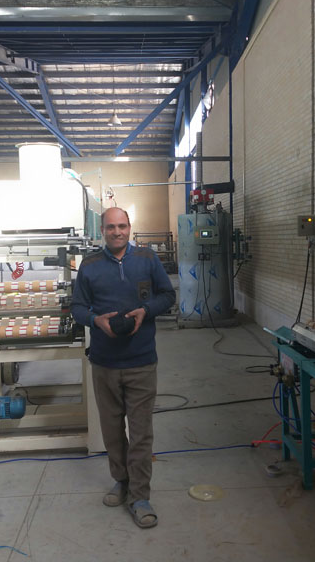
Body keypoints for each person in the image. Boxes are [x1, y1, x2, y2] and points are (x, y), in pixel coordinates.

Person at [71, 207, 176, 529]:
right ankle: (122, 480)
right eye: (111, 227)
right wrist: (95, 320)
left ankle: (140, 496)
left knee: (141, 433)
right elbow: (77, 307)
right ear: (102, 230)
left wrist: (146, 310)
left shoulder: (147, 259)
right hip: (104, 362)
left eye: (122, 226)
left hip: (141, 360)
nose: (117, 232)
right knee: (112, 430)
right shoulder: (89, 265)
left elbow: (167, 295)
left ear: (130, 227)